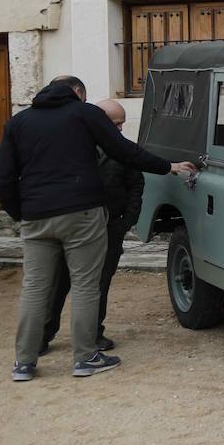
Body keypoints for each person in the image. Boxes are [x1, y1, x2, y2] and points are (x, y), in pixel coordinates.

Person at [0, 76, 196, 381]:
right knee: (87, 285)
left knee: (35, 289)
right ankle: (85, 356)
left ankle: (24, 362)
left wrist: (21, 213)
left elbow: (4, 179)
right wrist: (168, 166)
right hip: (81, 212)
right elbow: (125, 151)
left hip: (36, 216)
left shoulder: (18, 122)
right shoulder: (84, 114)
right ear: (77, 93)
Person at [40, 100, 143, 356]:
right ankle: (43, 335)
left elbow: (136, 186)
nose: (119, 129)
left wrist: (126, 222)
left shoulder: (125, 150)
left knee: (100, 283)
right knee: (58, 282)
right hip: (73, 226)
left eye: (122, 124)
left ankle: (93, 334)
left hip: (110, 228)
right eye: (114, 124)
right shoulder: (72, 147)